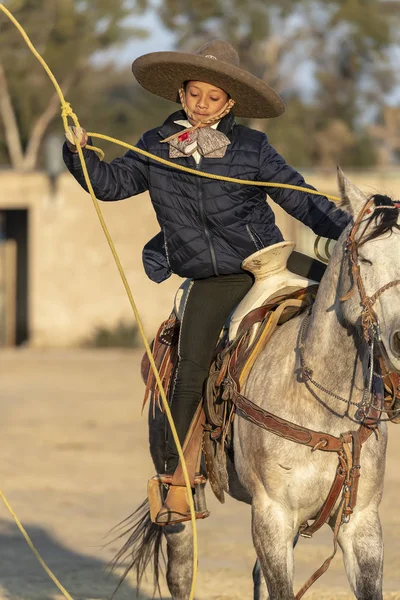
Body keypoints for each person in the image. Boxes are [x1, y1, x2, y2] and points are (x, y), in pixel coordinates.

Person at [63, 40, 351, 525]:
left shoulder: (252, 149)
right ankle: (177, 479)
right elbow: (108, 185)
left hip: (270, 261)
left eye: (213, 98)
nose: (201, 104)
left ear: (230, 104)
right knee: (190, 368)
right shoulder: (155, 146)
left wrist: (351, 230)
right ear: (181, 92)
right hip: (212, 279)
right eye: (194, 93)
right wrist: (78, 154)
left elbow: (299, 199)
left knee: (355, 304)